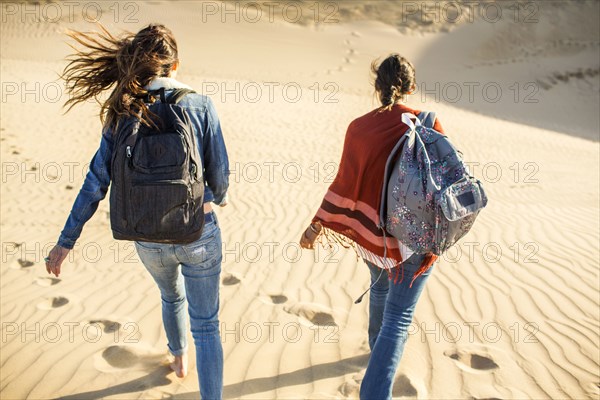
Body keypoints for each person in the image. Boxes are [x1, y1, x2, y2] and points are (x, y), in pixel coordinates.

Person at [44, 24, 229, 399]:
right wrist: (218, 197)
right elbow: (220, 173)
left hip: (147, 238)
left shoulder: (122, 110)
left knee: (171, 296)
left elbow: (96, 181)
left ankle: (178, 359)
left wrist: (65, 242)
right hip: (198, 231)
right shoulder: (198, 104)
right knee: (206, 326)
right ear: (174, 65)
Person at [300, 54, 444, 400]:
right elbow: (446, 180)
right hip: (416, 239)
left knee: (380, 289)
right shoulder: (427, 122)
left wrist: (316, 225)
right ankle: (375, 393)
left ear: (377, 86)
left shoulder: (358, 127)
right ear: (410, 87)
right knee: (399, 315)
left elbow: (344, 182)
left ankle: (374, 348)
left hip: (373, 237)